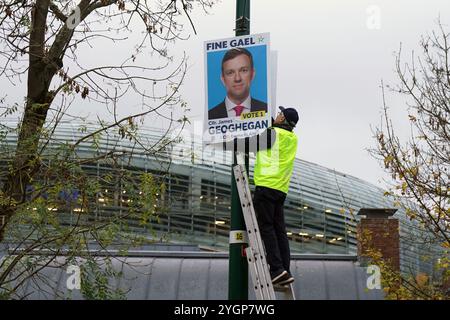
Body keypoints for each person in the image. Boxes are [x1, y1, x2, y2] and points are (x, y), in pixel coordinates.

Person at [227, 106, 299, 286]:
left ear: (282, 119)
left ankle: (276, 269)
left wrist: (229, 140)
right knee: (279, 231)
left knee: (266, 228)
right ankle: (285, 269)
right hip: (281, 189)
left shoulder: (272, 133)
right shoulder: (292, 138)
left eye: (280, 114)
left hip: (266, 186)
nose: (277, 115)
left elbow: (248, 144)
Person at [208, 47, 267, 120]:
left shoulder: (266, 110)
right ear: (223, 79)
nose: (237, 78)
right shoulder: (210, 116)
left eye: (243, 70)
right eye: (230, 73)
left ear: (252, 74)